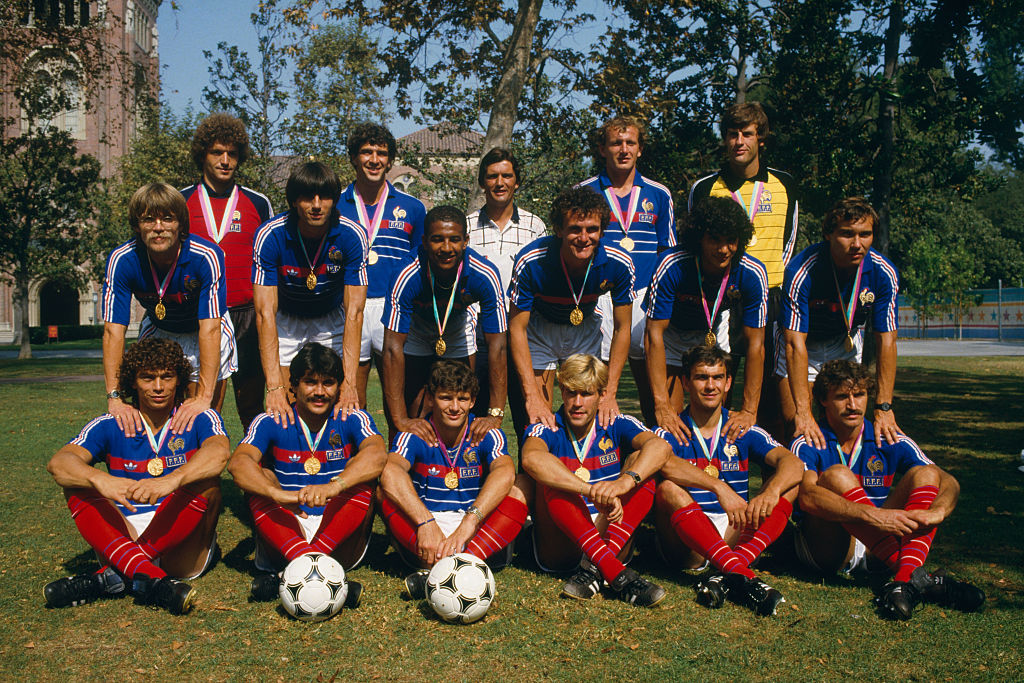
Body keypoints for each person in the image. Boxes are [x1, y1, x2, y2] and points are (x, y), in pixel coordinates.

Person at [44, 338, 229, 614]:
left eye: (167, 377)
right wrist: (102, 479)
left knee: (208, 484)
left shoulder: (199, 416)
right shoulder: (112, 423)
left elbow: (220, 453)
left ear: (179, 379)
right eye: (148, 377)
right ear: (133, 381)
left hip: (181, 546)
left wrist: (171, 480)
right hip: (122, 535)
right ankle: (149, 579)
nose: (158, 387)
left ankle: (112, 577)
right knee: (76, 483)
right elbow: (60, 463)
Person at [794, 360, 985, 620]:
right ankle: (922, 579)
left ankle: (906, 580)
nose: (853, 405)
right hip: (830, 549)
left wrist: (937, 513)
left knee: (927, 473)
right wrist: (873, 516)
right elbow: (806, 498)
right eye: (841, 397)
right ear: (823, 401)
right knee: (837, 475)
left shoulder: (885, 433)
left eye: (859, 395)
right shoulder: (810, 437)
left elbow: (949, 481)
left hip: (878, 548)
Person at [228, 343, 386, 605]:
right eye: (310, 382)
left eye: (328, 383)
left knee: (364, 481)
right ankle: (324, 574)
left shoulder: (351, 416)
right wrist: (278, 494)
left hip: (338, 530)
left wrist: (334, 487)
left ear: (339, 387)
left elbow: (378, 454)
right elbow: (239, 463)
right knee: (260, 478)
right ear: (294, 385)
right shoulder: (272, 419)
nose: (320, 392)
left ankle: (291, 573)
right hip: (287, 527)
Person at [653, 345, 802, 616]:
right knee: (668, 488)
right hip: (688, 541)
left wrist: (770, 493)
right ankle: (742, 573)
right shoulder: (671, 429)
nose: (711, 386)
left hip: (735, 528)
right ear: (686, 382)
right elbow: (663, 462)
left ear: (728, 382)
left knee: (789, 484)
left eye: (718, 377)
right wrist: (718, 486)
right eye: (701, 377)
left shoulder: (741, 428)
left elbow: (793, 463)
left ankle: (727, 570)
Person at [521, 354, 669, 607]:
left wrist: (624, 482)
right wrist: (588, 490)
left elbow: (660, 447)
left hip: (610, 529)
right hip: (562, 542)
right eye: (571, 393)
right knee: (549, 475)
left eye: (587, 394)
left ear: (601, 395)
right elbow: (531, 459)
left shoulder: (616, 423)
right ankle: (615, 572)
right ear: (562, 392)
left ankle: (598, 568)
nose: (577, 403)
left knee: (642, 462)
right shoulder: (547, 426)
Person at [689, 102, 799, 435]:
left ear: (760, 139)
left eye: (747, 134)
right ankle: (712, 474)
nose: (739, 141)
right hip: (720, 301)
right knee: (711, 394)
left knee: (771, 407)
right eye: (732, 134)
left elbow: (788, 241)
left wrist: (767, 279)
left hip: (771, 300)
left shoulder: (785, 185)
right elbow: (695, 244)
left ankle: (774, 481)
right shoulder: (705, 188)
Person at [379, 360, 529, 598]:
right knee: (382, 491)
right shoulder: (416, 433)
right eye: (446, 398)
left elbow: (505, 472)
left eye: (462, 398)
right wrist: (425, 523)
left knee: (522, 485)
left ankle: (445, 569)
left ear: (473, 401)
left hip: (474, 530)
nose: (455, 407)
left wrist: (470, 522)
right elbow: (390, 472)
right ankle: (457, 567)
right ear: (431, 398)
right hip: (429, 533)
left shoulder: (485, 433)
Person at [102, 182, 236, 437]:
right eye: (149, 219)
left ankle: (201, 472)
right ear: (136, 225)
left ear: (181, 224)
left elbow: (209, 329)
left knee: (200, 418)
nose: (158, 227)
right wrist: (114, 397)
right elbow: (113, 332)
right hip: (159, 328)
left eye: (167, 218)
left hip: (203, 330)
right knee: (153, 413)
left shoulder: (206, 255)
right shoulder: (122, 259)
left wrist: (204, 399)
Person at [507, 187, 635, 440]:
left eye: (592, 229)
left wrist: (609, 393)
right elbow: (516, 328)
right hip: (538, 331)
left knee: (585, 417)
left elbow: (622, 328)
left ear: (602, 230)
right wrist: (532, 395)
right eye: (575, 229)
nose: (584, 237)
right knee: (538, 421)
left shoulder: (619, 263)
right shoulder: (532, 261)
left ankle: (585, 473)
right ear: (559, 230)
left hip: (583, 329)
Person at [645, 196, 768, 445]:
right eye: (714, 239)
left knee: (714, 416)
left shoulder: (753, 272)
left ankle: (713, 473)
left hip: (712, 330)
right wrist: (661, 405)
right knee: (670, 421)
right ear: (699, 238)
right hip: (671, 335)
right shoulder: (672, 264)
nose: (723, 250)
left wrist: (749, 411)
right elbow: (653, 335)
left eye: (730, 241)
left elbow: (756, 345)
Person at [253, 162, 367, 428]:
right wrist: (273, 387)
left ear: (335, 200)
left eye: (324, 197)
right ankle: (279, 464)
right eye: (307, 197)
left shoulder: (352, 234)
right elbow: (264, 313)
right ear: (294, 201)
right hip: (286, 320)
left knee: (345, 403)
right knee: (280, 407)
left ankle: (340, 462)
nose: (316, 205)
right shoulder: (270, 235)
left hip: (331, 318)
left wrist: (349, 383)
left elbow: (355, 312)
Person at [779, 197, 900, 448]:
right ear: (828, 234)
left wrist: (884, 406)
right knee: (796, 430)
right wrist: (803, 411)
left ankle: (842, 483)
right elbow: (793, 344)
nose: (857, 244)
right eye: (847, 234)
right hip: (800, 344)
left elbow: (887, 341)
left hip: (843, 344)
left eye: (865, 235)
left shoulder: (883, 272)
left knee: (846, 428)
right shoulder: (801, 270)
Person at [381, 205, 507, 446]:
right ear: (425, 242)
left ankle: (460, 469)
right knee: (414, 413)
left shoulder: (485, 274)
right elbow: (391, 348)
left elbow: (498, 346)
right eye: (438, 240)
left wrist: (495, 414)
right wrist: (400, 420)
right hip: (416, 331)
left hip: (457, 329)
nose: (446, 248)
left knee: (459, 406)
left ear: (466, 241)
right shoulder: (406, 273)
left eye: (454, 240)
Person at [577, 115, 676, 422]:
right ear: (602, 149)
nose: (623, 149)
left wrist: (659, 299)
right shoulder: (585, 191)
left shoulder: (659, 194)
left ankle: (660, 451)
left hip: (646, 297)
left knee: (653, 388)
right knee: (597, 383)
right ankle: (596, 457)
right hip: (601, 297)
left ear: (640, 149)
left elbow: (668, 253)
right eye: (615, 143)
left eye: (630, 142)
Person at [182, 113, 273, 433]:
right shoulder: (180, 201)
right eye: (217, 152)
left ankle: (258, 477)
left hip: (248, 316)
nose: (225, 160)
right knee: (204, 405)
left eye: (232, 154)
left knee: (252, 406)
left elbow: (270, 264)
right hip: (202, 317)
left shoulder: (258, 203)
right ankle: (198, 476)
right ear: (202, 154)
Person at [336, 123, 426, 409]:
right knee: (352, 396)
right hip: (350, 307)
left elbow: (420, 262)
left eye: (381, 153)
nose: (374, 159)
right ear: (353, 157)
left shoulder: (412, 207)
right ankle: (360, 451)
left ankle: (399, 453)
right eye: (366, 152)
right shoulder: (335, 205)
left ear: (390, 161)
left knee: (399, 398)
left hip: (394, 308)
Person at [466, 147, 548, 424]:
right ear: (482, 182)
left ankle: (529, 467)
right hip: (479, 337)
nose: (499, 183)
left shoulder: (535, 226)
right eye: (492, 176)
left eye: (506, 176)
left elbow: (544, 282)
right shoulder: (466, 228)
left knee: (530, 417)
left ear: (517, 180)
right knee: (476, 416)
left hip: (523, 335)